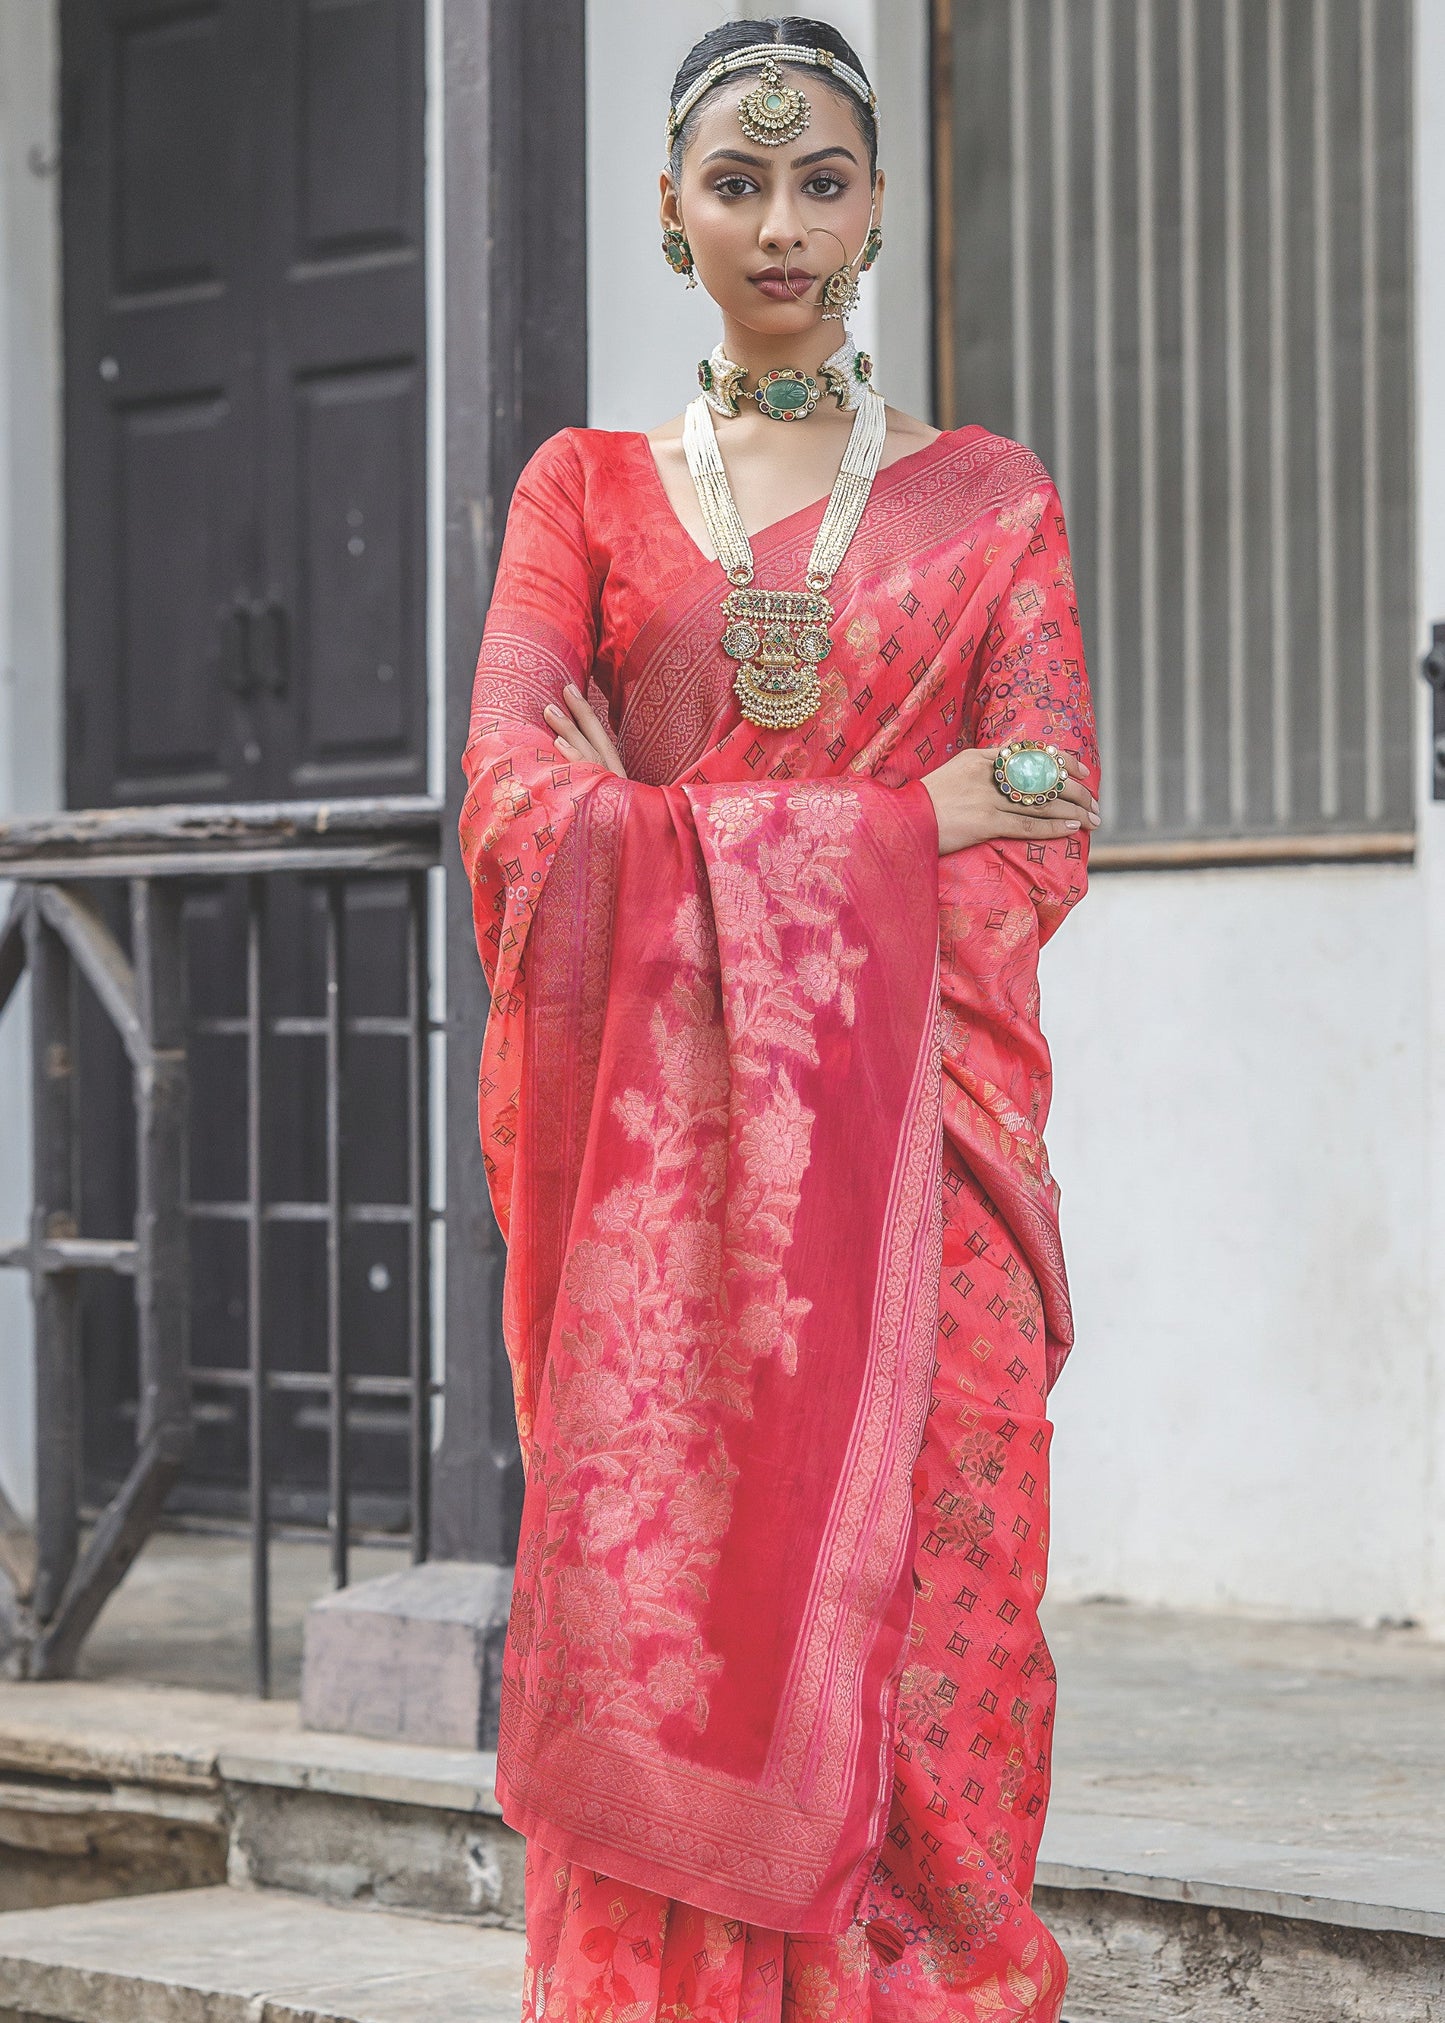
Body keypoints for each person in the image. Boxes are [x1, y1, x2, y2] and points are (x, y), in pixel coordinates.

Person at [459, 18, 1100, 2021]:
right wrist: (911, 816)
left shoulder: (993, 503)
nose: (783, 223)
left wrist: (670, 825)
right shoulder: (583, 494)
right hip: (669, 1218)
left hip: (934, 1174)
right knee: (684, 1611)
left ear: (884, 203)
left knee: (940, 1629)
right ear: (670, 212)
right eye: (737, 184)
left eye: (823, 179)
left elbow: (1053, 806)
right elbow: (509, 802)